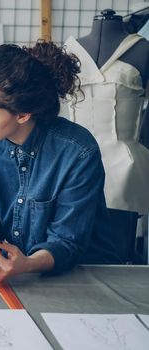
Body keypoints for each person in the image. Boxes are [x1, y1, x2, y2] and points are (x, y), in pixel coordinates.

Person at [0, 41, 122, 281]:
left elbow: (67, 243)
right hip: (17, 279)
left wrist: (26, 264)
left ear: (23, 114)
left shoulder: (77, 151)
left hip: (83, 278)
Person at [65, 9, 149, 263]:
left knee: (115, 251)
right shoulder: (68, 51)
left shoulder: (143, 50)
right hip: (73, 164)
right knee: (72, 244)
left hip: (122, 166)